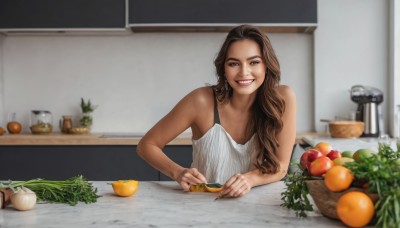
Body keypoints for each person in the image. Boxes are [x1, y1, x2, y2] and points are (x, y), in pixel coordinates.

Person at [137, 24, 296, 198]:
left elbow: (281, 166)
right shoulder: (200, 101)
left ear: (266, 65)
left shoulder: (283, 98)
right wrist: (178, 172)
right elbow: (147, 145)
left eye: (254, 62)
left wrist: (249, 179)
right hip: (204, 208)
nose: (244, 72)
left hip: (259, 209)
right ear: (224, 69)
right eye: (234, 63)